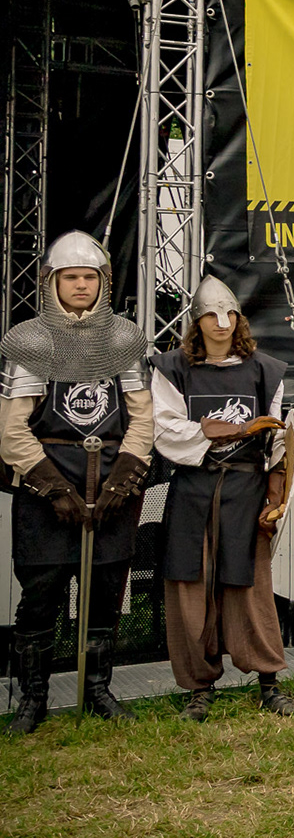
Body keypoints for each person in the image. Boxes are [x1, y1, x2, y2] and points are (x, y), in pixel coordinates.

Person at [0, 231, 152, 731]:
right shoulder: (31, 341)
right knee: (40, 596)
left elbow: (142, 419)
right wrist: (53, 488)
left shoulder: (123, 339)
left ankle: (97, 689)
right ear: (53, 282)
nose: (81, 285)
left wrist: (122, 481)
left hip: (110, 487)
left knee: (104, 594)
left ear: (102, 282)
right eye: (71, 277)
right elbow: (12, 431)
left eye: (89, 277)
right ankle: (33, 698)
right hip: (47, 489)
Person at [150, 276, 294, 720]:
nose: (222, 322)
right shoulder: (172, 368)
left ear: (240, 318)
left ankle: (269, 683)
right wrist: (229, 430)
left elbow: (278, 440)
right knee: (189, 587)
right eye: (212, 315)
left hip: (245, 490)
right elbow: (164, 427)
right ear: (197, 321)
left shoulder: (264, 370)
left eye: (230, 313)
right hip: (193, 489)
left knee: (251, 588)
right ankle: (200, 688)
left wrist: (275, 494)